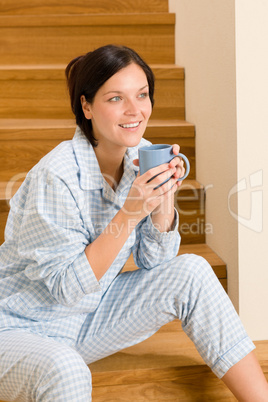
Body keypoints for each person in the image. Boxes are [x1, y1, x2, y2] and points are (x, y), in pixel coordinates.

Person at [0, 44, 267, 402]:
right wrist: (129, 213)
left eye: (142, 95)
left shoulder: (140, 155)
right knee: (65, 368)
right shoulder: (55, 176)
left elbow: (154, 263)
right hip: (19, 327)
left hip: (85, 317)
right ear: (87, 106)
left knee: (193, 271)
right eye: (115, 98)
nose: (135, 110)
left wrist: (164, 195)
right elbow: (67, 289)